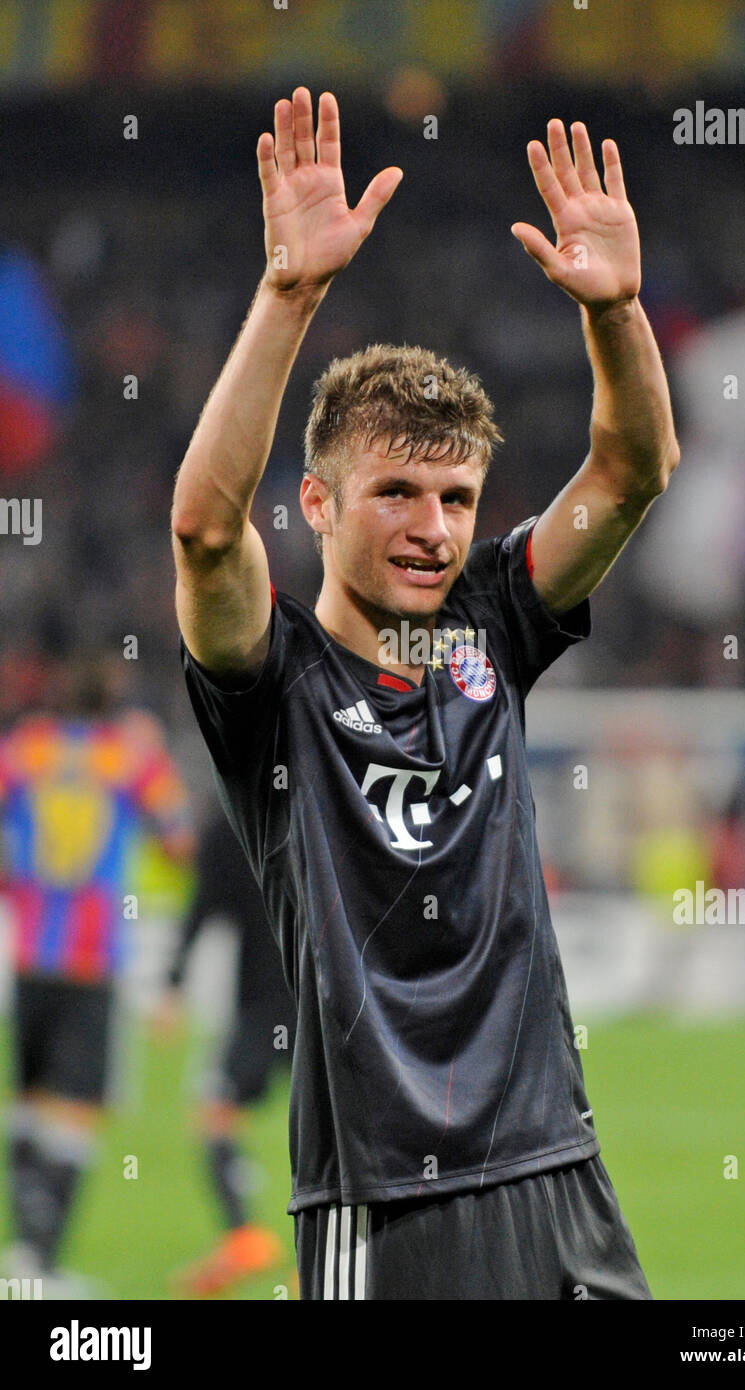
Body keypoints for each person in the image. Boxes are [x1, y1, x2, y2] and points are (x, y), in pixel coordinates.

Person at [171, 88, 679, 1300]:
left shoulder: (491, 629)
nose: (433, 527)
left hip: (559, 1173)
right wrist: (288, 296)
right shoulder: (273, 684)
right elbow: (201, 529)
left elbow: (635, 466)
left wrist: (613, 312)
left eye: (456, 499)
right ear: (320, 502)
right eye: (396, 490)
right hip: (385, 1208)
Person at [0, 654, 194, 1296]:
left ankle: (23, 1253)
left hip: (29, 955)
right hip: (91, 959)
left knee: (29, 1105)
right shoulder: (129, 759)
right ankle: (39, 1262)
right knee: (76, 1112)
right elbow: (178, 838)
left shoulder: (24, 750)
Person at [157, 805, 297, 1296]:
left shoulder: (229, 819)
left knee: (215, 1112)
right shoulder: (324, 803)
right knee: (335, 1128)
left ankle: (245, 1236)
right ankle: (322, 1251)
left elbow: (203, 905)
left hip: (264, 1005)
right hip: (326, 1002)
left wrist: (172, 983)